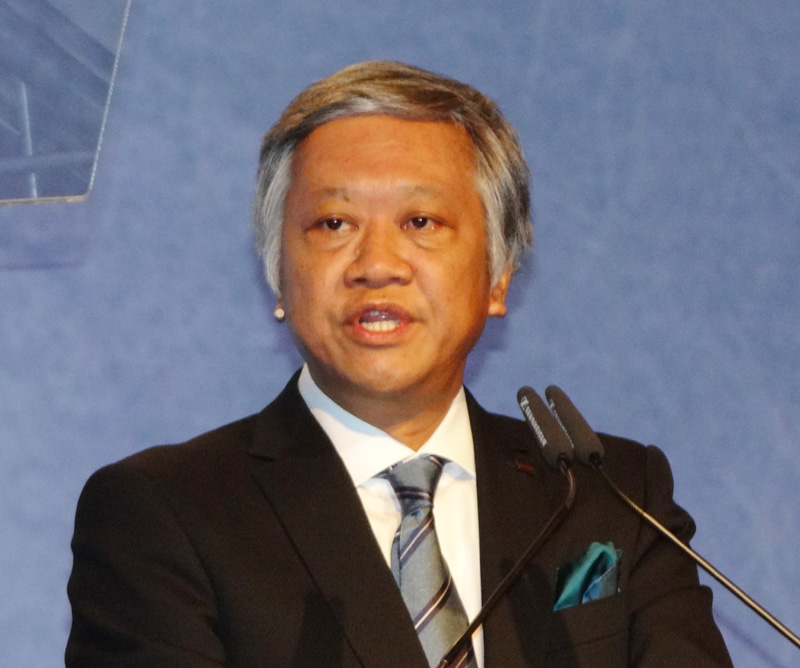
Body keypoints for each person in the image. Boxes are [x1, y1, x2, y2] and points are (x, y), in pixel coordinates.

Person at [65, 61, 733, 668]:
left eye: (421, 222)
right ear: (278, 274)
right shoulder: (166, 514)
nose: (377, 265)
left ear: (498, 276)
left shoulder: (609, 497)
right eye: (334, 224)